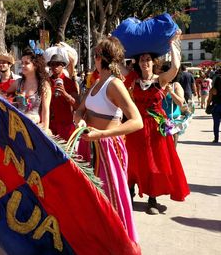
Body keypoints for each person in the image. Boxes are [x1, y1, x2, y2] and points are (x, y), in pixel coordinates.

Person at [73, 36, 143, 243]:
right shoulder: (96, 83)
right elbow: (80, 110)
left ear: (100, 58)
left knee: (111, 198)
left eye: (95, 55)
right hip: (89, 146)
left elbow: (136, 121)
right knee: (91, 198)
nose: (94, 59)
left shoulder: (115, 85)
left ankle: (116, 243)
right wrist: (80, 120)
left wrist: (101, 135)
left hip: (108, 149)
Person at [125, 33, 190, 215]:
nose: (145, 62)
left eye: (148, 59)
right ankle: (130, 191)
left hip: (155, 128)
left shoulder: (160, 80)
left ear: (153, 62)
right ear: (137, 63)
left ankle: (152, 197)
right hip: (136, 126)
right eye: (141, 60)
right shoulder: (134, 80)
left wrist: (172, 44)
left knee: (153, 162)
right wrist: (115, 45)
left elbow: (176, 67)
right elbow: (119, 66)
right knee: (134, 160)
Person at [7, 48, 52, 133]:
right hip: (16, 127)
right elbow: (3, 96)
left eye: (26, 63)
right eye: (22, 63)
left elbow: (46, 111)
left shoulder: (44, 86)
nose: (23, 66)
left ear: (36, 65)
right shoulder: (18, 83)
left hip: (33, 129)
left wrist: (45, 130)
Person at [48, 54, 79, 140]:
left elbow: (77, 106)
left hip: (66, 127)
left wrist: (65, 94)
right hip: (50, 126)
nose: (55, 67)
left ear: (63, 66)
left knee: (67, 153)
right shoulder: (46, 82)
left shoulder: (69, 83)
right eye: (52, 64)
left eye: (58, 64)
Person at [161, 63, 185, 147]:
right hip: (160, 120)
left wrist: (171, 92)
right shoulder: (159, 85)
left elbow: (180, 103)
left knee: (172, 149)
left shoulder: (176, 85)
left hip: (172, 121)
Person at [206, 76, 221, 143]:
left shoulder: (213, 90)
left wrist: (207, 106)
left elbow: (209, 100)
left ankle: (216, 138)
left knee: (216, 124)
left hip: (216, 107)